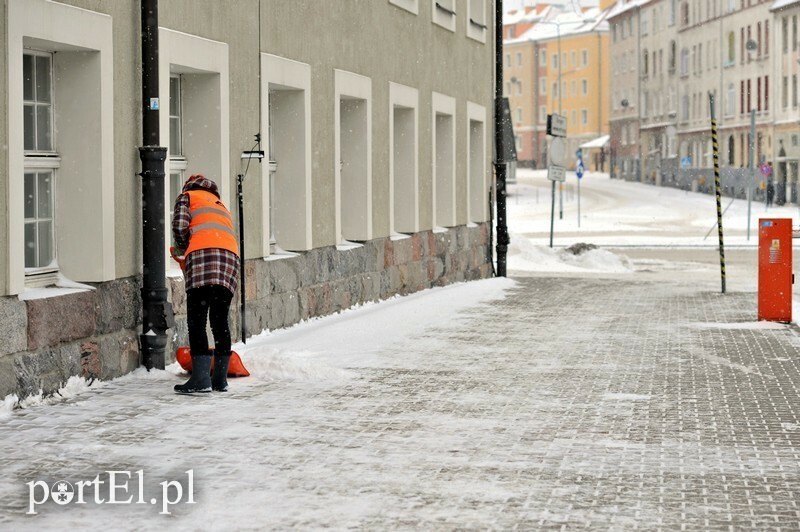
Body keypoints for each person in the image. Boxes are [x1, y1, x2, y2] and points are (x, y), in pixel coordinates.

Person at [171, 174, 239, 394]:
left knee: (197, 319)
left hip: (202, 256)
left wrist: (182, 249)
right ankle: (219, 380)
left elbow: (180, 226)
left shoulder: (187, 196)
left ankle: (201, 380)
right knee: (219, 320)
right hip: (230, 258)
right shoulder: (219, 204)